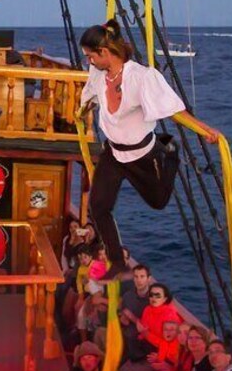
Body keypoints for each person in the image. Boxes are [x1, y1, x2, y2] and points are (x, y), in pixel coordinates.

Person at [79, 20, 219, 276]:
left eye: (90, 56)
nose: (89, 62)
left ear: (105, 53)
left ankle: (171, 154)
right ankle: (118, 264)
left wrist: (205, 129)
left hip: (142, 155)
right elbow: (89, 92)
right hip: (114, 153)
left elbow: (174, 110)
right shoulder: (98, 75)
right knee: (99, 207)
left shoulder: (142, 77)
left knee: (158, 202)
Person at [138, 284, 182, 350]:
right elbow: (143, 328)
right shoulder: (147, 309)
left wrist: (146, 334)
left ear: (164, 299)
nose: (153, 298)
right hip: (147, 343)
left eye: (157, 296)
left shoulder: (169, 315)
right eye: (151, 295)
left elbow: (170, 345)